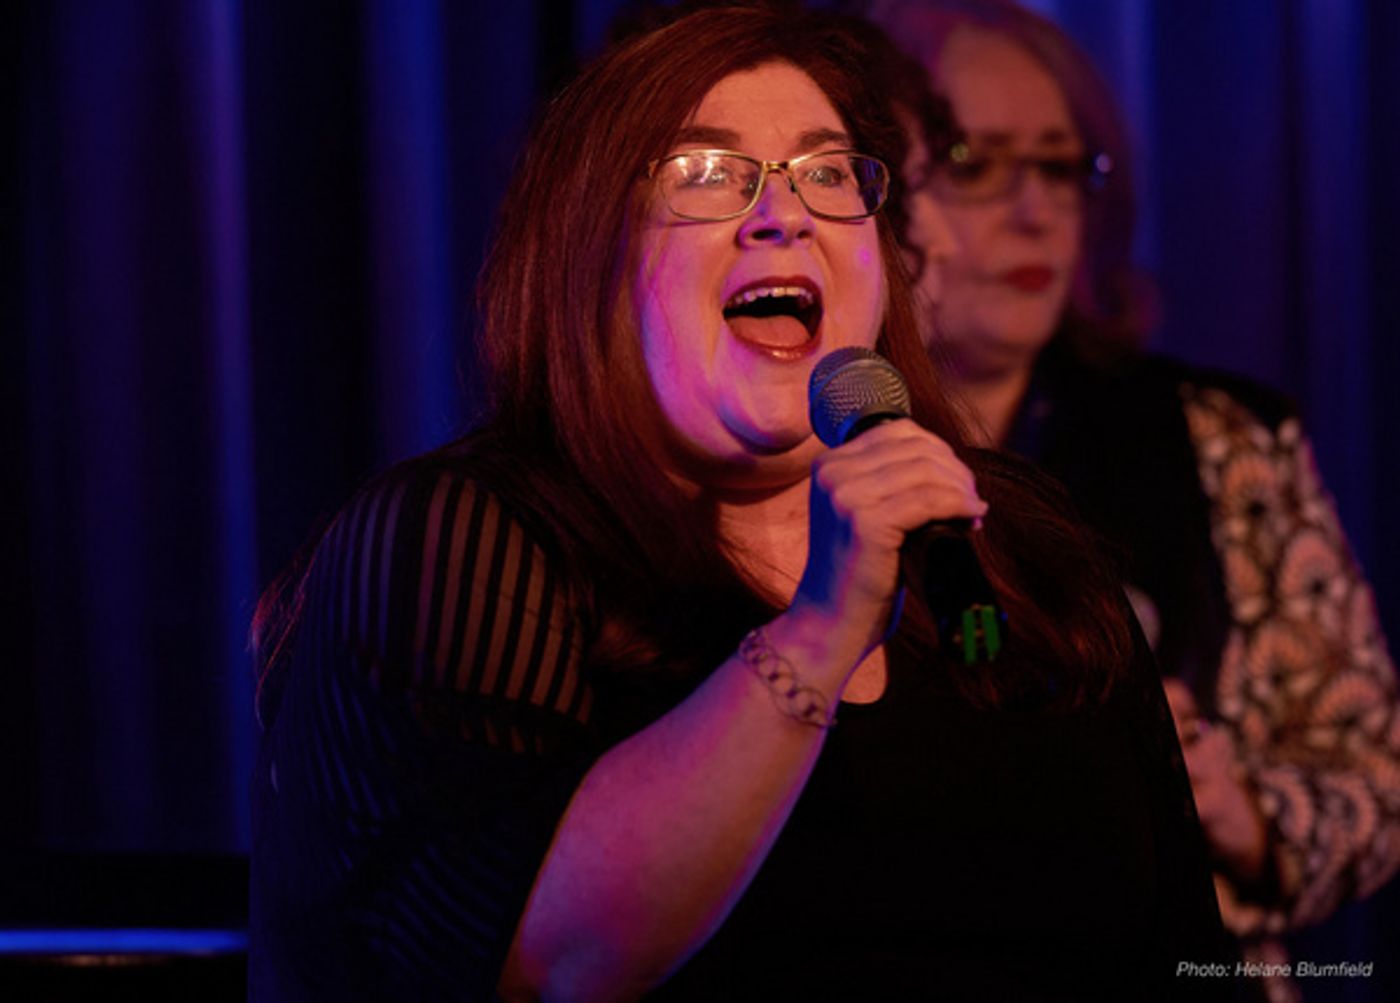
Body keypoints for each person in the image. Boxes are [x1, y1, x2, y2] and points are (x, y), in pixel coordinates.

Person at [248, 7, 1231, 999]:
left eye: (827, 173)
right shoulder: (468, 541)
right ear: (591, 264)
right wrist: (818, 628)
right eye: (706, 175)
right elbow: (544, 960)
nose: (783, 213)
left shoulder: (1015, 548)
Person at [864, 2, 1400, 1000]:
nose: (1034, 211)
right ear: (878, 198)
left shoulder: (1216, 436)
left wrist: (1236, 809)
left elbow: (1376, 780)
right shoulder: (809, 447)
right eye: (975, 164)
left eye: (1061, 166)